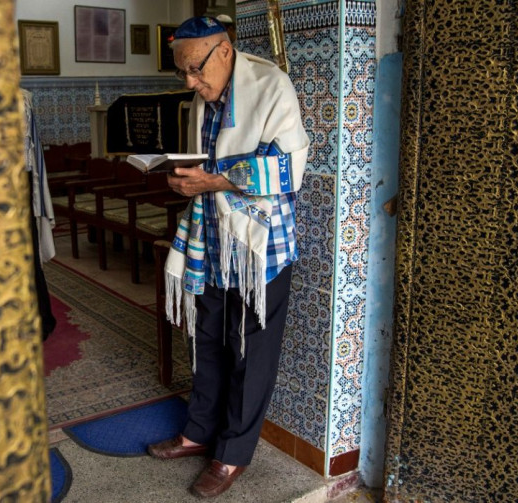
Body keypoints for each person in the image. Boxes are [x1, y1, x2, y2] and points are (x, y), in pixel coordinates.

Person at [147, 16, 310, 498]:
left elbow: (289, 168)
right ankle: (198, 433)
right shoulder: (205, 96)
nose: (192, 83)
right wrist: (187, 179)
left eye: (195, 70)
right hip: (213, 237)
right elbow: (210, 161)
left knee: (251, 353)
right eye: (184, 74)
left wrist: (211, 180)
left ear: (223, 51)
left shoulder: (270, 86)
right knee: (209, 338)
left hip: (258, 247)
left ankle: (232, 454)